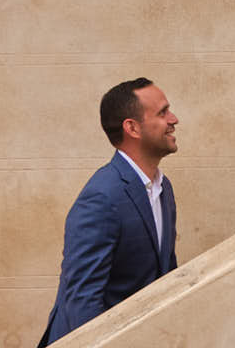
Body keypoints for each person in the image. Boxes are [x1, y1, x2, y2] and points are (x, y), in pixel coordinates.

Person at [37, 78, 180, 346]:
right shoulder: (102, 197)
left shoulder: (163, 188)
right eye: (162, 112)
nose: (174, 119)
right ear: (132, 128)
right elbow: (82, 300)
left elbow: (164, 275)